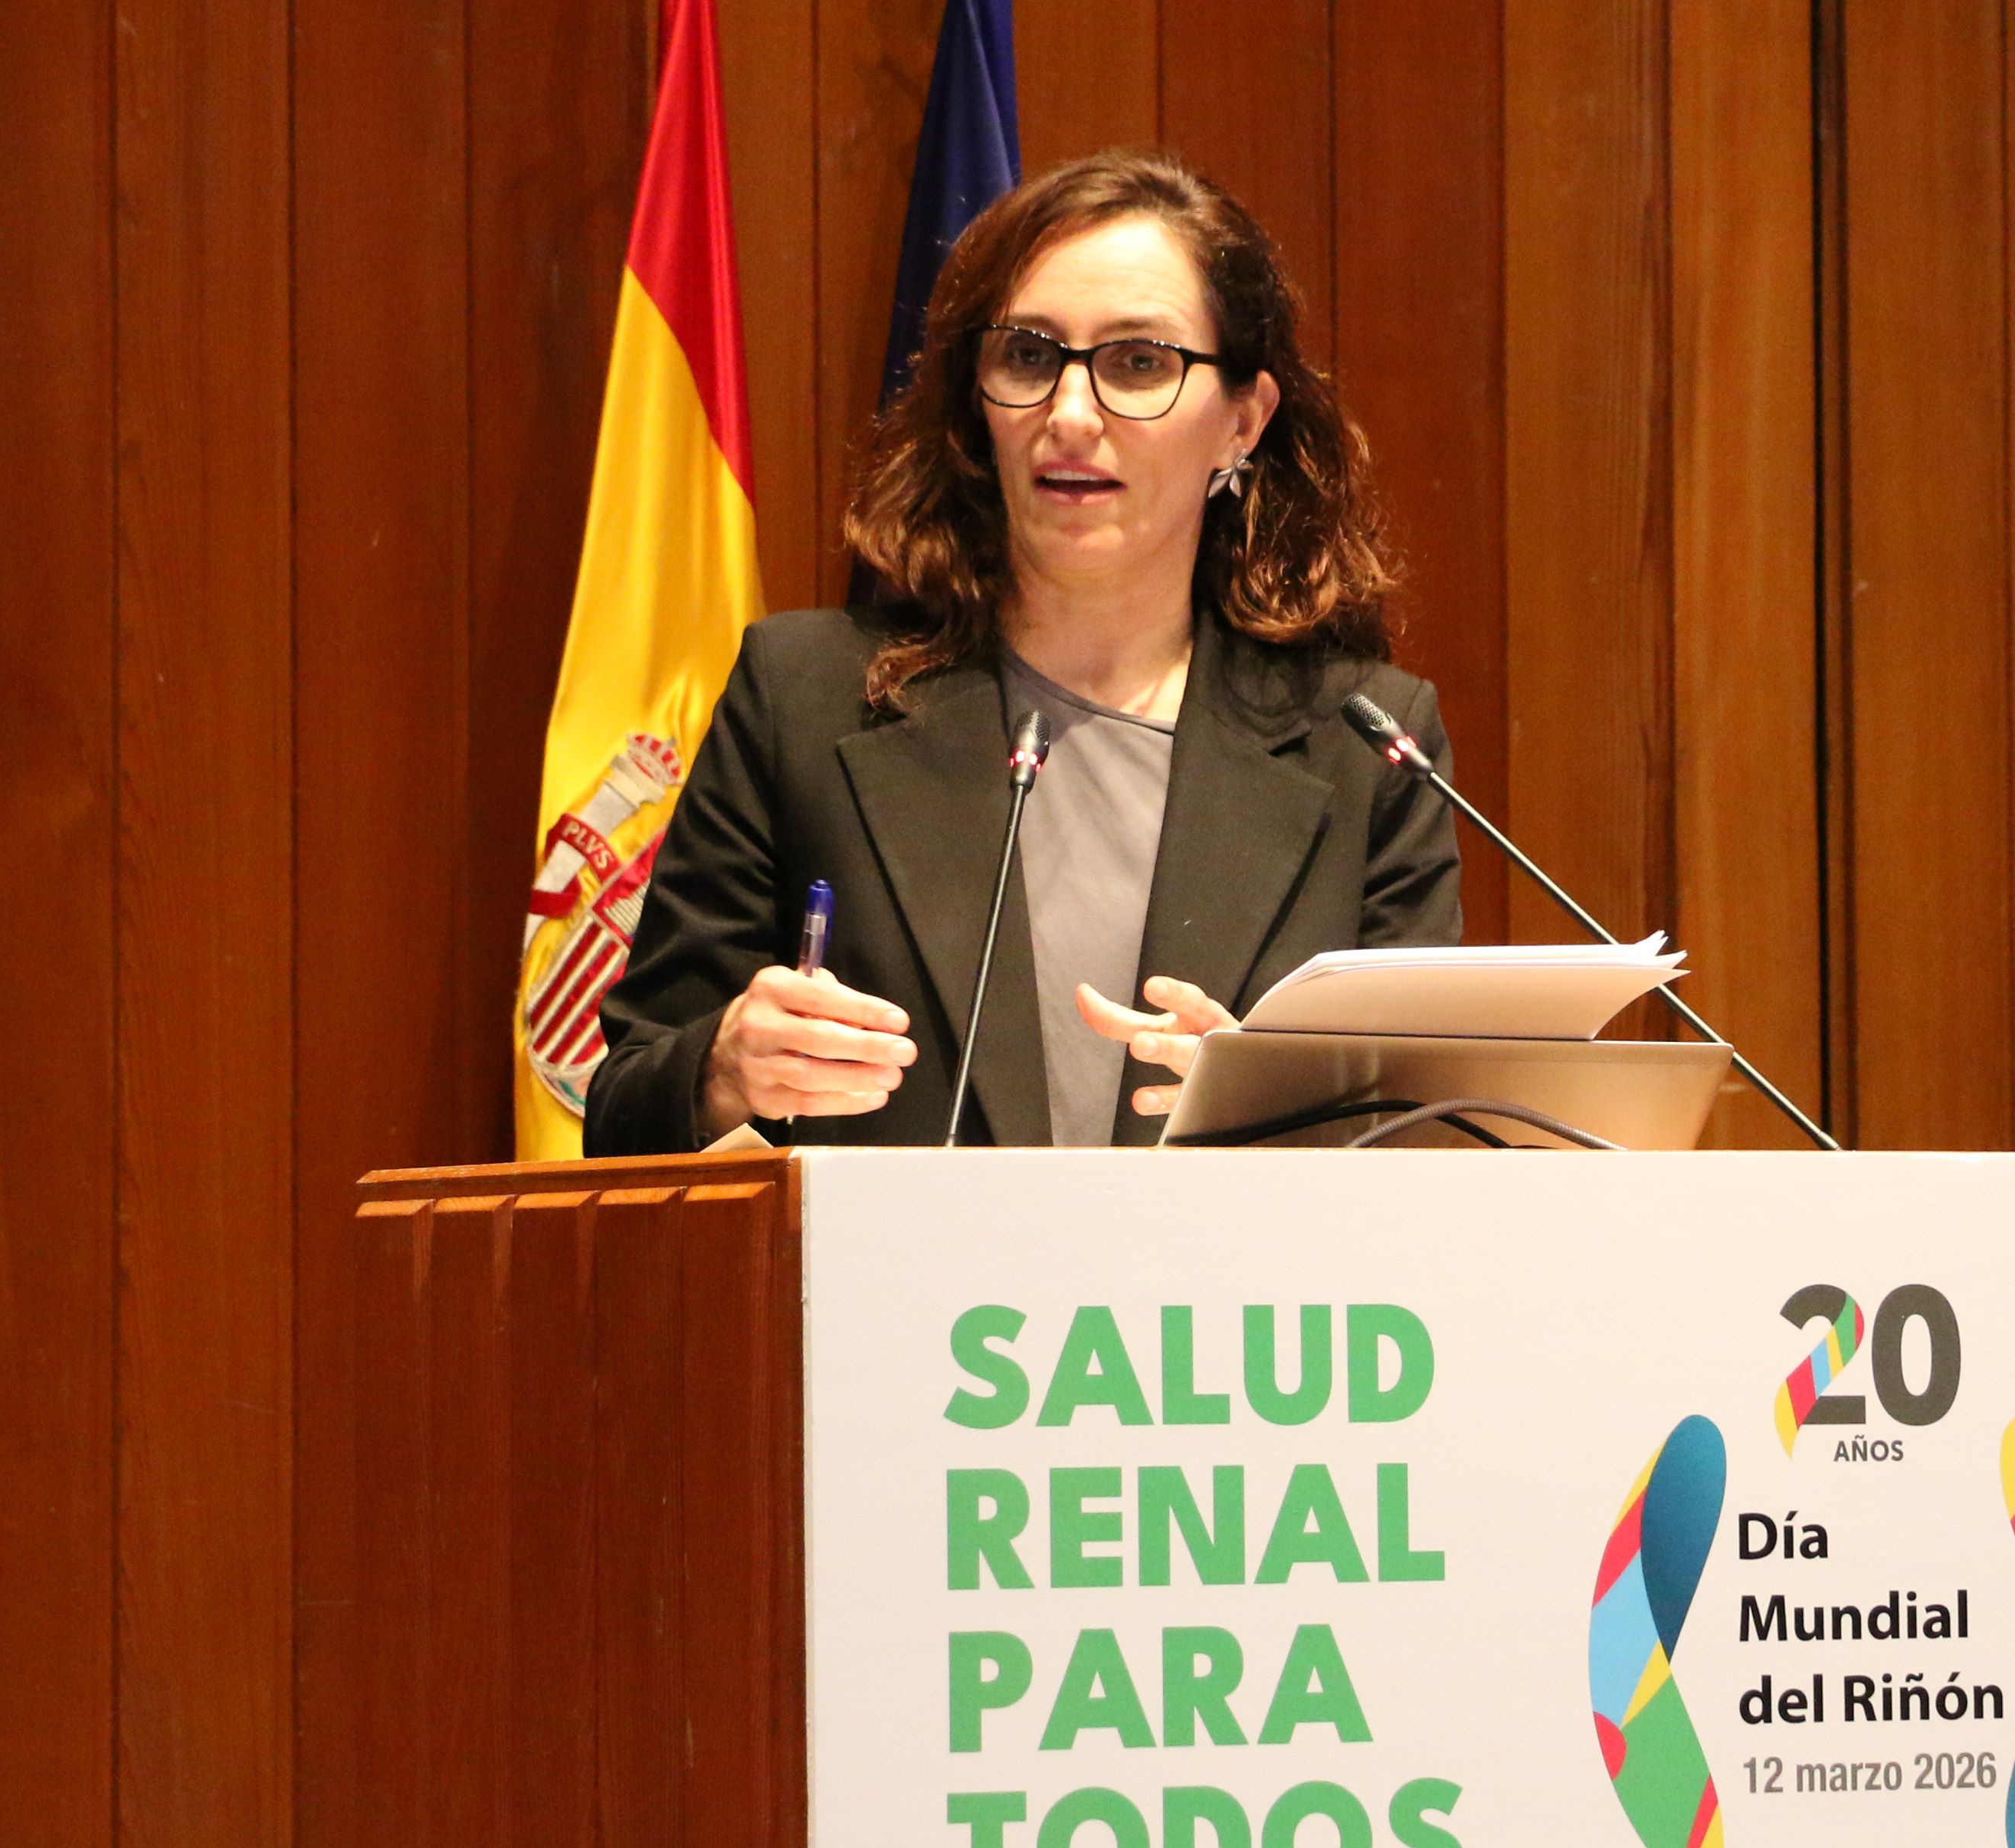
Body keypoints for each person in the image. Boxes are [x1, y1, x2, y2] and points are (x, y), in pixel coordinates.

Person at [582, 149, 1462, 1155]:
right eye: (1030, 358)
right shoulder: (804, 701)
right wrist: (727, 1070)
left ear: (1242, 421)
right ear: (980, 397)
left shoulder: (1367, 748)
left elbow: (1430, 1145)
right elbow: (625, 1113)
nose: (1071, 415)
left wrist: (1289, 1112)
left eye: (1140, 363)